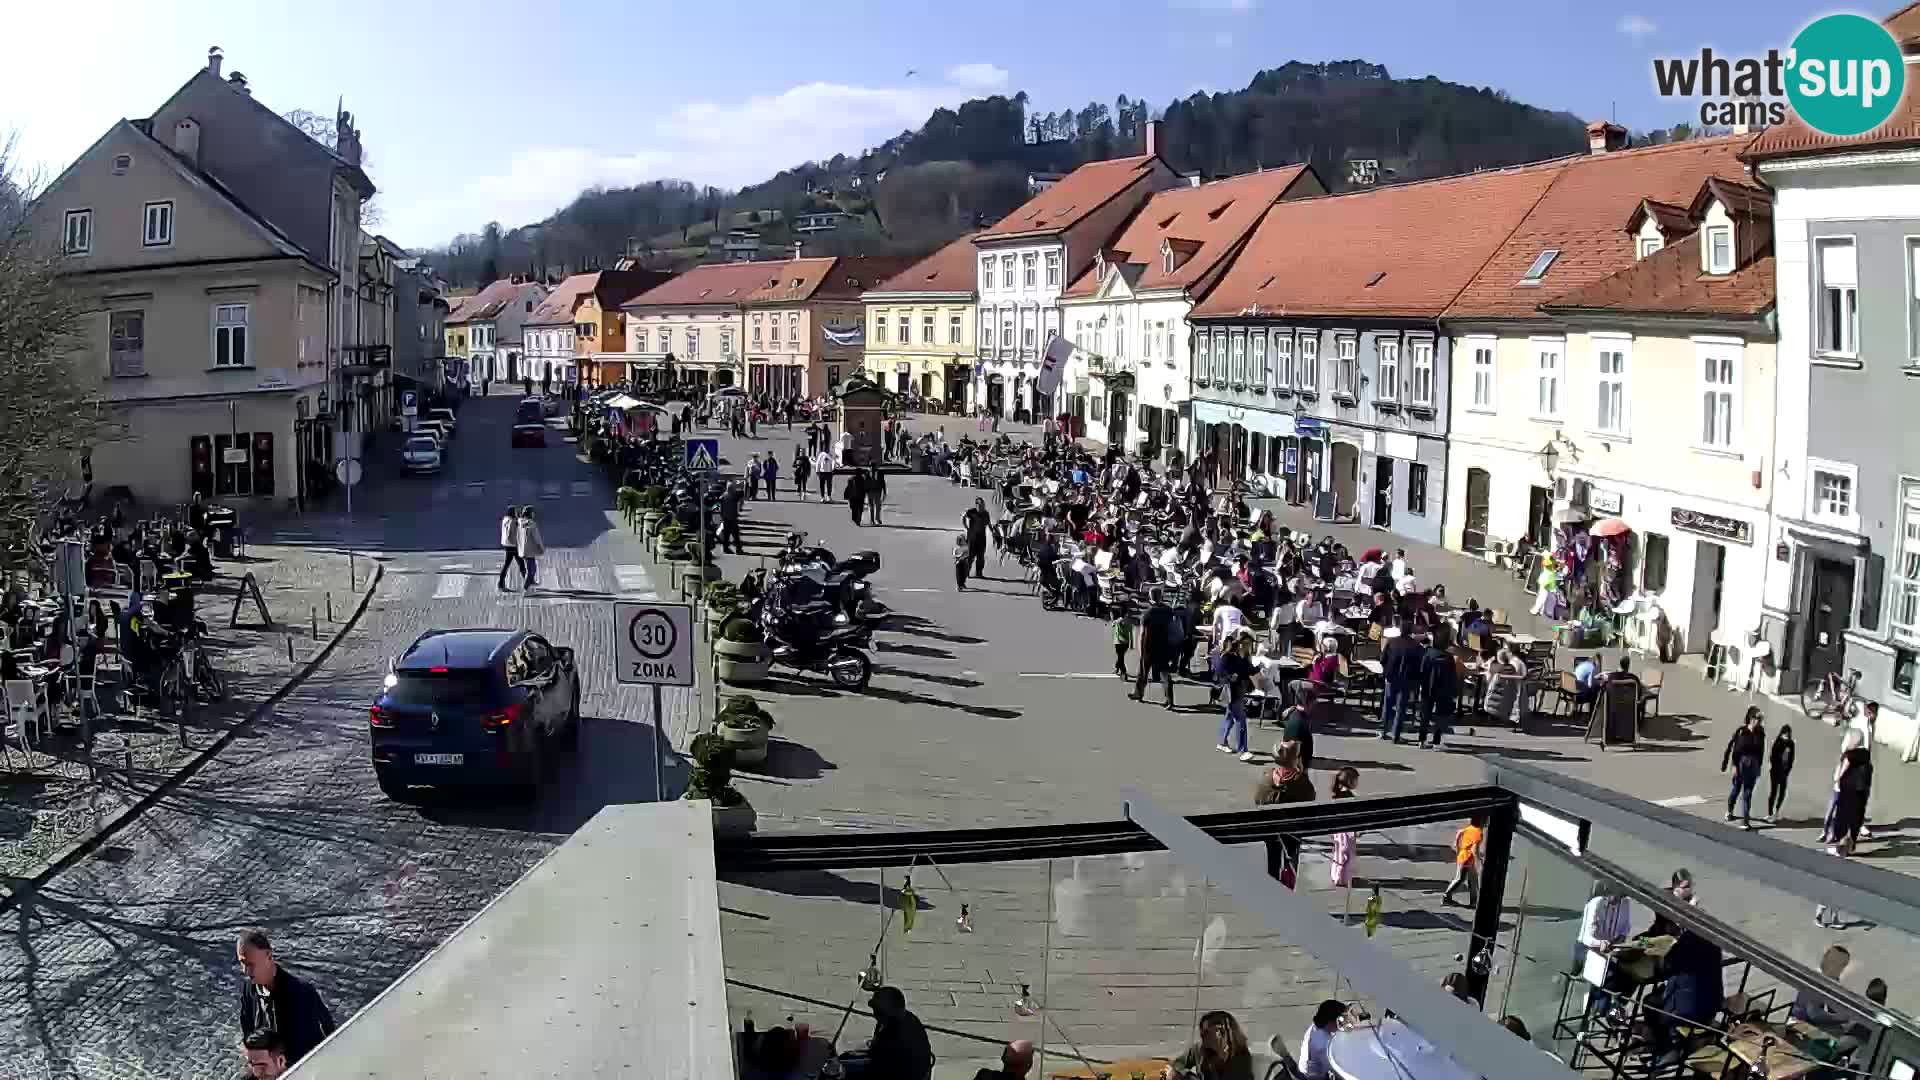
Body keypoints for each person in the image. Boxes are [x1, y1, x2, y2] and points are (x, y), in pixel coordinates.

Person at [236, 928, 336, 1066]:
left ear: (268, 956)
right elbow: (247, 1025)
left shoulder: (301, 993)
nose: (245, 971)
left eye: (250, 964)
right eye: (242, 963)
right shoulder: (249, 989)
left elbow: (318, 1039)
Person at [849, 985, 933, 1080]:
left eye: (877, 1012)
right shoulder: (909, 1018)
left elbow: (877, 1068)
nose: (874, 1014)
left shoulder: (893, 1041)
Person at [1576, 888, 1634, 1022]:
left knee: (1623, 974)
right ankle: (1601, 1009)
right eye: (1616, 896)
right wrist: (1600, 943)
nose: (1618, 901)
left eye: (1621, 897)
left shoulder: (1625, 903)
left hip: (1608, 949)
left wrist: (1618, 941)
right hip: (1588, 948)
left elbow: (1625, 928)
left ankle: (1606, 1008)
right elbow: (1586, 938)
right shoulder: (1595, 904)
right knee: (1606, 975)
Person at [1164, 1009, 1255, 1080]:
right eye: (1202, 1032)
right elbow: (1178, 1064)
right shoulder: (1200, 1049)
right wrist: (1182, 1074)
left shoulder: (1241, 1057)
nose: (1202, 1035)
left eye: (1206, 1032)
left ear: (1220, 1031)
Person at [1379, 619, 1423, 742]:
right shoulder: (1416, 646)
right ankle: (1396, 735)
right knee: (1401, 708)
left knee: (1387, 705)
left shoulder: (1391, 642)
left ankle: (1383, 731)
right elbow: (1419, 665)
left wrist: (1386, 670)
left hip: (1391, 677)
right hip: (1407, 679)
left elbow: (1382, 659)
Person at [1722, 706, 1766, 829]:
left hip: (1753, 765)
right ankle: (1730, 810)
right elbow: (1736, 751)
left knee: (1748, 793)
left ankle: (1745, 820)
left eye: (1760, 719)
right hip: (1741, 763)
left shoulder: (1761, 733)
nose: (1759, 721)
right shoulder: (1742, 732)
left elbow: (1761, 751)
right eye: (1757, 718)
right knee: (1736, 789)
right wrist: (1735, 766)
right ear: (1751, 719)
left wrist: (1759, 767)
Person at [1215, 634, 1257, 762]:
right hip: (1232, 692)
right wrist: (1229, 676)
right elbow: (1219, 670)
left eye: (1249, 644)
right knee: (1240, 719)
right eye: (1245, 644)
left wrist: (1260, 669)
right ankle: (1243, 750)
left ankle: (1222, 742)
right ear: (1239, 644)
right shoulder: (1229, 656)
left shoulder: (1244, 657)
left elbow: (1249, 670)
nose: (1247, 646)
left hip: (1240, 691)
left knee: (1230, 717)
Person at [1133, 589, 1177, 709]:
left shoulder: (1148, 613)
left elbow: (1142, 634)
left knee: (1143, 672)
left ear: (1150, 597)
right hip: (1164, 645)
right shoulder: (1168, 611)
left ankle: (1139, 694)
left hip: (1149, 646)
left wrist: (1140, 650)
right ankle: (1170, 700)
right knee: (1165, 674)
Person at [1419, 634, 1458, 749]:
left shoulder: (1428, 654)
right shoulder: (1449, 657)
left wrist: (1422, 685)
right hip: (1443, 690)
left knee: (1425, 715)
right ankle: (1436, 741)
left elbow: (1422, 671)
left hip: (1428, 688)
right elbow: (1452, 676)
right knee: (1440, 716)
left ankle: (1422, 740)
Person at [1296, 1000, 1349, 1079]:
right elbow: (1338, 1071)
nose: (1343, 1023)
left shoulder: (1316, 1027)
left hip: (1307, 1069)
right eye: (1341, 1021)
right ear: (1330, 1022)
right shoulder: (1323, 1045)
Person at [1441, 814, 1484, 906]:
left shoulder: (1467, 829)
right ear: (1481, 822)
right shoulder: (1478, 833)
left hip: (1462, 856)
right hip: (1469, 859)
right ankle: (1446, 896)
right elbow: (1474, 850)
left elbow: (1456, 841)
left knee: (1469, 880)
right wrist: (1480, 861)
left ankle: (1473, 902)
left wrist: (1459, 852)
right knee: (1462, 879)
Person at [1328, 767, 1359, 889]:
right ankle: (1342, 877)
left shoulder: (1337, 795)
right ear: (1350, 782)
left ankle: (1336, 874)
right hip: (1347, 830)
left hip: (1338, 830)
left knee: (1338, 852)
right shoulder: (1350, 797)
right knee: (1346, 854)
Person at [1767, 723, 1796, 823]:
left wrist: (1787, 770)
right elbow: (1772, 757)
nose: (1787, 736)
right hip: (1775, 772)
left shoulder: (1791, 743)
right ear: (1782, 734)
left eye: (1788, 734)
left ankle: (1777, 811)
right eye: (1785, 734)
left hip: (1784, 772)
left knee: (1782, 793)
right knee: (1773, 792)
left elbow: (1791, 758)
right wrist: (1776, 768)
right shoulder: (1778, 742)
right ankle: (1770, 813)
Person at [963, 497, 992, 579]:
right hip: (972, 538)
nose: (981, 506)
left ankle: (979, 573)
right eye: (979, 504)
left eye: (982, 504)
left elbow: (989, 524)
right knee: (970, 556)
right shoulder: (971, 512)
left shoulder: (986, 513)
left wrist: (993, 532)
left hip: (982, 538)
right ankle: (966, 572)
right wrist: (965, 526)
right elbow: (963, 516)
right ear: (976, 505)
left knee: (981, 557)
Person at [517, 507, 545, 587]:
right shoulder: (531, 524)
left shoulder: (520, 523)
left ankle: (531, 582)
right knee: (532, 570)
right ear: (529, 513)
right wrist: (541, 547)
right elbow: (537, 537)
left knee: (531, 567)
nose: (534, 514)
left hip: (523, 549)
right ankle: (526, 588)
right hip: (530, 549)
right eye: (532, 512)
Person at [496, 506, 524, 590]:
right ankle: (528, 581)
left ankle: (501, 583)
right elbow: (510, 533)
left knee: (509, 564)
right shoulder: (512, 521)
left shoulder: (505, 519)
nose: (516, 513)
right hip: (512, 545)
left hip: (507, 545)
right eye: (515, 512)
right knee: (520, 563)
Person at [718, 481, 745, 555]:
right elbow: (742, 495)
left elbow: (721, 507)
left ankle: (725, 548)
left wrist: (722, 516)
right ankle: (738, 549)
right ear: (732, 489)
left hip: (725, 518)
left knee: (726, 534)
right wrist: (741, 486)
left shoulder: (723, 496)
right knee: (736, 535)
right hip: (732, 518)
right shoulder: (733, 496)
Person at [1111, 609, 1134, 678]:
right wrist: (1131, 644)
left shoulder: (1118, 621)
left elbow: (1112, 624)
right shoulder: (1130, 622)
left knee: (1120, 657)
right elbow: (1131, 634)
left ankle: (1123, 672)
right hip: (1126, 643)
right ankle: (1118, 668)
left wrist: (1113, 618)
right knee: (1121, 656)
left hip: (1118, 642)